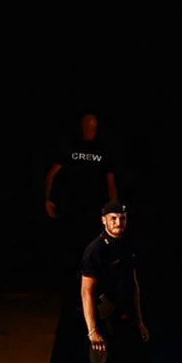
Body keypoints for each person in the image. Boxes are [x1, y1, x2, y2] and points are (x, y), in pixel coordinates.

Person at [75, 203, 153, 363]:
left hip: (128, 322)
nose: (118, 223)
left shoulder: (127, 246)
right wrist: (92, 330)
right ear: (104, 220)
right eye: (113, 218)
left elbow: (134, 285)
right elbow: (86, 291)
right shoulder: (95, 250)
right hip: (106, 325)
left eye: (122, 218)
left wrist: (140, 321)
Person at [40, 111, 123, 274]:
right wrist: (114, 210)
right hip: (91, 207)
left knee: (72, 246)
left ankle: (75, 277)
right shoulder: (102, 150)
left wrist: (47, 199)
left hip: (72, 206)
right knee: (90, 247)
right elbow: (110, 183)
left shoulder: (70, 147)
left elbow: (50, 175)